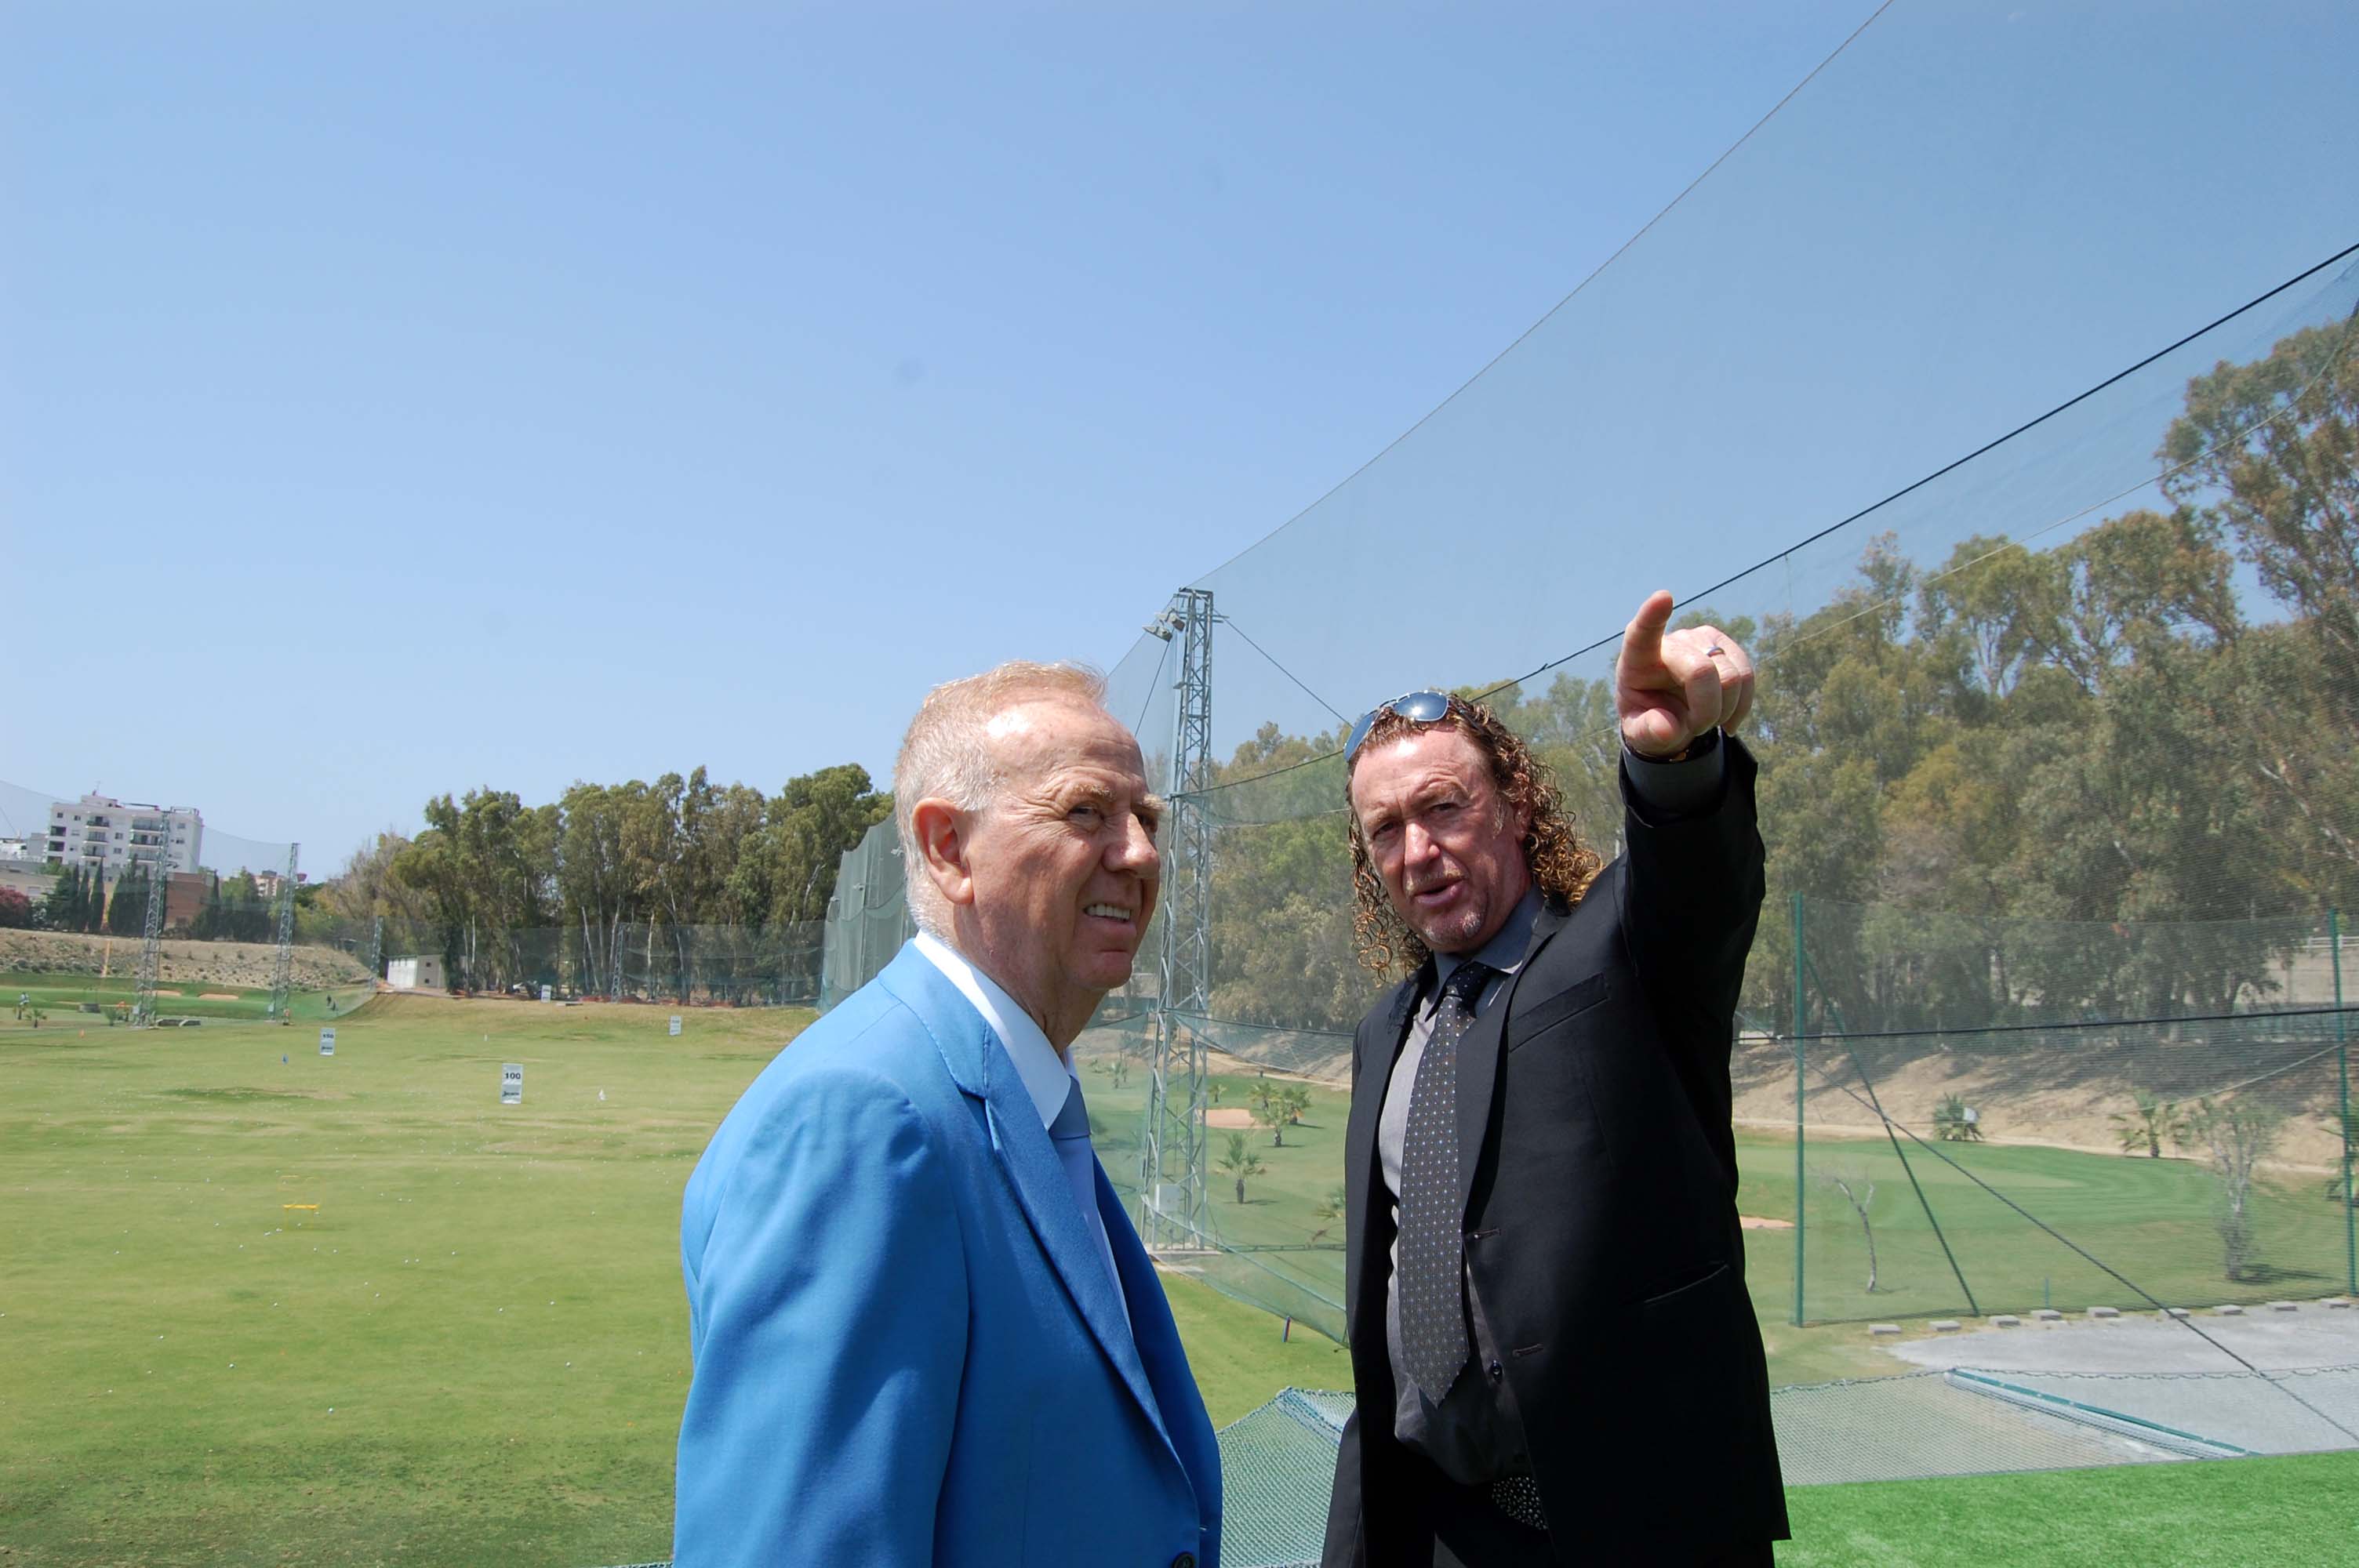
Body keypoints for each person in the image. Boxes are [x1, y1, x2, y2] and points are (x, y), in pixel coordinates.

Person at [673, 662, 1221, 1568]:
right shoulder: (862, 1119)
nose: (1139, 852)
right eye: (1085, 811)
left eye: (1147, 818)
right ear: (947, 849)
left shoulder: (1023, 1094)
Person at [1321, 590, 1787, 1566]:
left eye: (1444, 806)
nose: (1418, 851)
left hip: (1632, 1530)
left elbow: (1692, 881)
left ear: (1516, 802)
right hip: (1436, 1528)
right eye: (1385, 829)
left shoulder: (1622, 957)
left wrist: (1671, 760)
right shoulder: (1385, 1032)